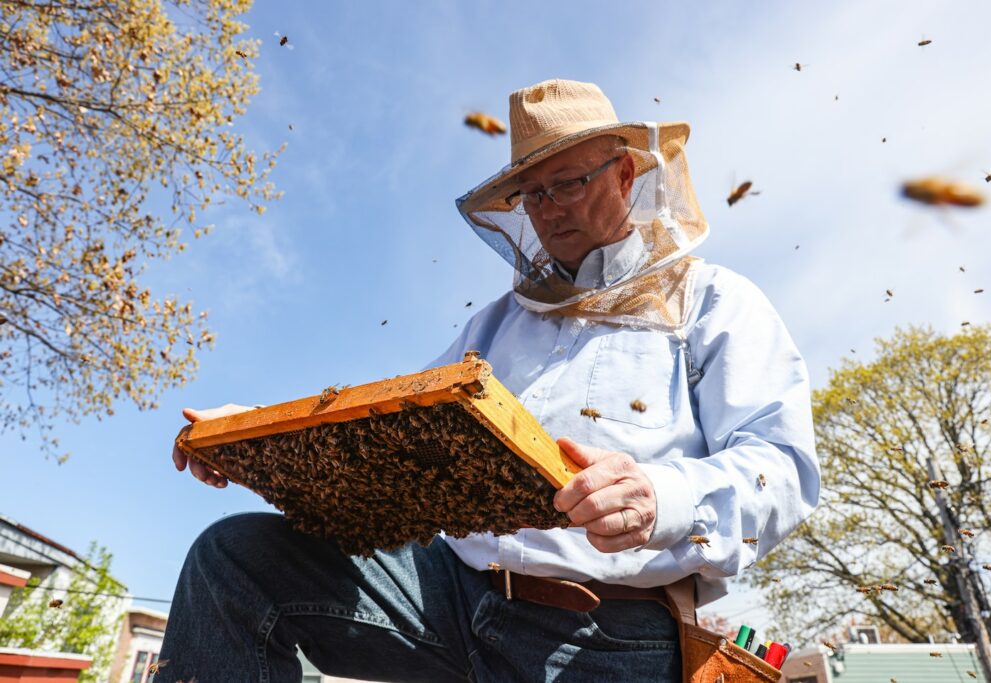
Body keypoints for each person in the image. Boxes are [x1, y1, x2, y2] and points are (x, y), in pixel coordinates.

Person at [159, 79, 819, 682]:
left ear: (623, 173)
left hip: (608, 632)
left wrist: (661, 495)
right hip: (449, 596)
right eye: (531, 194)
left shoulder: (713, 301)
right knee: (235, 558)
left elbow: (785, 471)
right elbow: (382, 437)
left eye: (566, 183)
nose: (546, 209)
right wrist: (253, 436)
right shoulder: (493, 327)